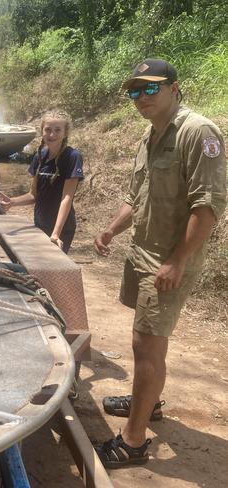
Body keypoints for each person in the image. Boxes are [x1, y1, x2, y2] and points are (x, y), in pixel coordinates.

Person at [93, 58, 226, 468]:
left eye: (150, 88)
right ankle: (145, 403)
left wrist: (177, 261)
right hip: (142, 251)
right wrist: (112, 231)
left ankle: (133, 442)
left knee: (145, 342)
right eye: (135, 91)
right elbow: (136, 198)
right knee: (147, 338)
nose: (141, 97)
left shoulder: (199, 132)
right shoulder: (150, 136)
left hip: (168, 260)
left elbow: (209, 207)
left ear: (174, 87)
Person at [0, 110, 83, 253]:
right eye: (48, 130)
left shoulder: (72, 156)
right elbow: (33, 195)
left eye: (57, 130)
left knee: (54, 268)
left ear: (65, 133)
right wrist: (12, 202)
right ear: (42, 131)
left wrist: (56, 233)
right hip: (40, 222)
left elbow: (66, 199)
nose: (52, 135)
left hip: (61, 227)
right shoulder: (39, 156)